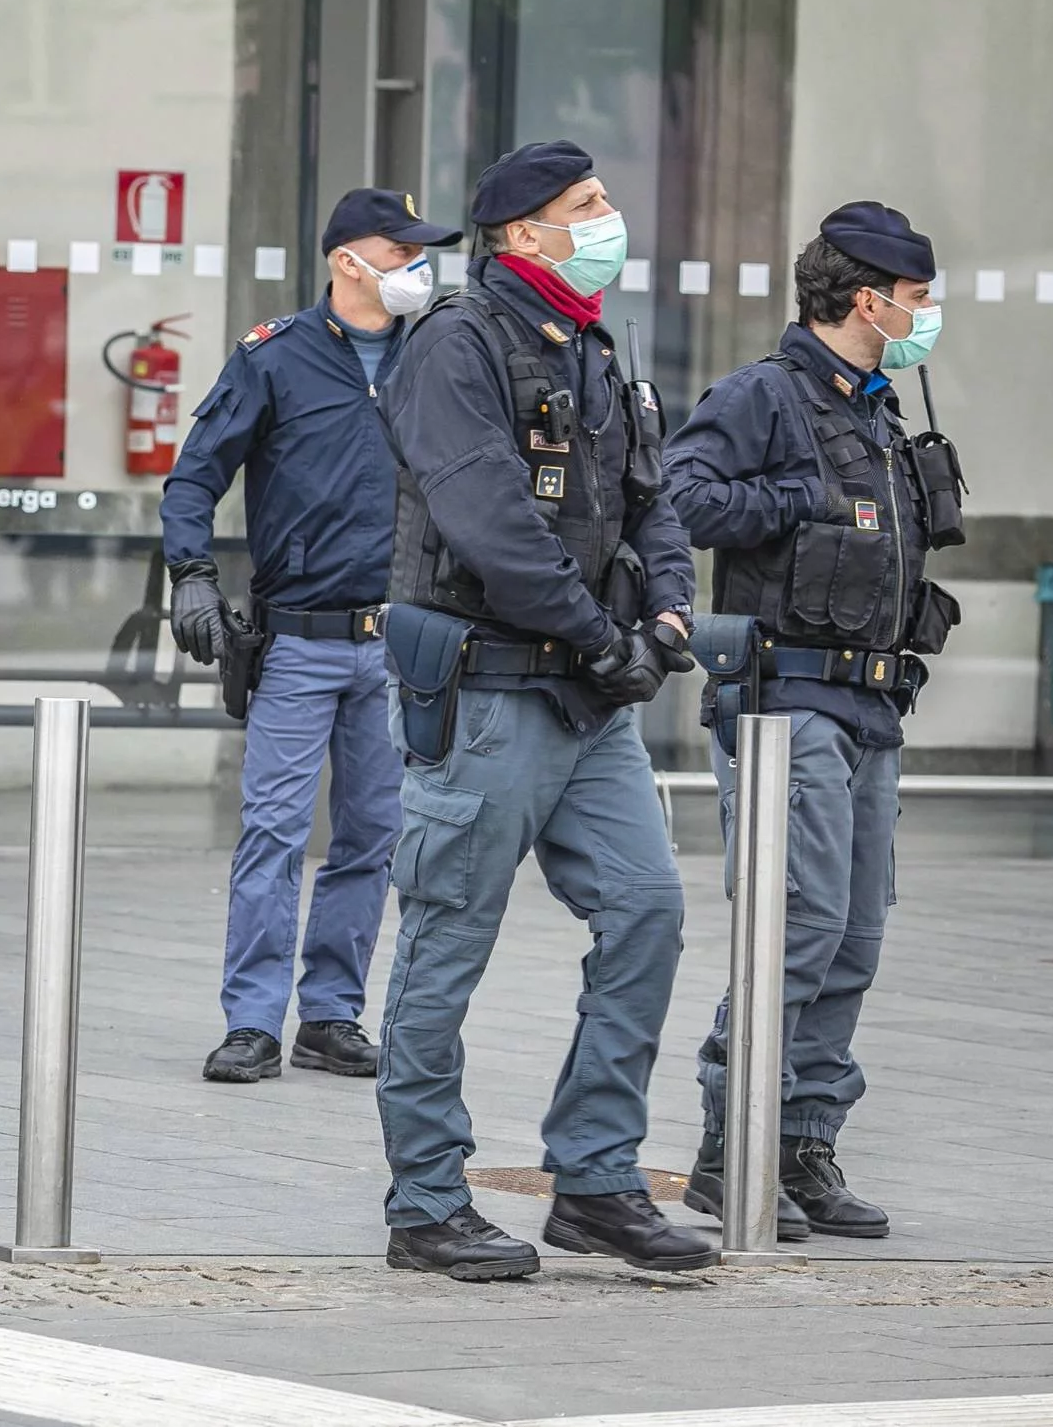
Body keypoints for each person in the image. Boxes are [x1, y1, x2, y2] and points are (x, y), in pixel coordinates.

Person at [371, 139, 714, 1280]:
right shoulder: (454, 344)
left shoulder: (595, 351)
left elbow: (649, 505)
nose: (608, 215)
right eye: (586, 204)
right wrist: (595, 634)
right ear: (520, 231)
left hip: (588, 697)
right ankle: (425, 1201)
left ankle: (595, 1178)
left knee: (647, 909)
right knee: (444, 946)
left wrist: (662, 620)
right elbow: (485, 520)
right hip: (488, 691)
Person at [667, 202, 959, 1242]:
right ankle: (724, 1148)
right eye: (915, 297)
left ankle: (802, 1138)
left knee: (854, 935)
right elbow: (679, 500)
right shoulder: (765, 396)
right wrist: (790, 499)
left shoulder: (877, 408)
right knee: (795, 926)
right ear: (862, 296)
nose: (926, 313)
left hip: (869, 702)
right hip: (785, 700)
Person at [163, 188, 459, 1085]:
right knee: (275, 834)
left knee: (373, 836)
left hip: (401, 644)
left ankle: (330, 1014)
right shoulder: (275, 358)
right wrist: (193, 576)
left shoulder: (437, 358)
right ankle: (252, 1020)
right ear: (347, 261)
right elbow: (193, 479)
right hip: (299, 639)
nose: (416, 268)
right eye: (399, 252)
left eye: (420, 253)